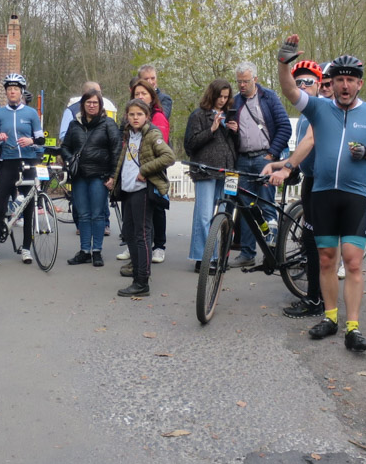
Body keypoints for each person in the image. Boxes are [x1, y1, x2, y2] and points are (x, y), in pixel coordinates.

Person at [272, 38, 366, 353]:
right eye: (339, 79)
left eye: (350, 80)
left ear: (359, 84)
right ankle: (330, 318)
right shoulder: (319, 107)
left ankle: (353, 327)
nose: (344, 85)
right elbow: (290, 91)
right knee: (327, 259)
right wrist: (283, 63)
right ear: (332, 82)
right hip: (323, 194)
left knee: (352, 262)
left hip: (355, 197)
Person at [263, 60, 324, 317]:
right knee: (310, 241)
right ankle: (315, 297)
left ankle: (316, 300)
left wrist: (286, 168)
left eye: (307, 82)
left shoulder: (320, 110)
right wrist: (277, 164)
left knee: (316, 242)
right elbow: (301, 147)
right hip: (310, 179)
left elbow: (311, 141)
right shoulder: (302, 117)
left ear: (319, 85)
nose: (301, 86)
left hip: (324, 184)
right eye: (297, 82)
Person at [107, 98, 175, 297]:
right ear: (127, 116)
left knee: (141, 235)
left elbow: (168, 157)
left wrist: (145, 170)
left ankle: (142, 281)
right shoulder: (129, 135)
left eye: (139, 114)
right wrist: (115, 179)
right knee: (128, 232)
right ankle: (136, 274)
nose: (135, 118)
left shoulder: (153, 134)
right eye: (132, 114)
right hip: (127, 190)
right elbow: (123, 160)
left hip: (143, 191)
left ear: (146, 116)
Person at [229, 61, 292, 268]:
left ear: (255, 79)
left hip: (264, 158)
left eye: (246, 81)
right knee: (246, 208)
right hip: (242, 159)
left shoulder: (269, 98)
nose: (242, 85)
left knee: (266, 205)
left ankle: (271, 252)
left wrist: (272, 155)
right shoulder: (235, 102)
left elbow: (284, 127)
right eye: (239, 82)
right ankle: (247, 253)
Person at [0, 73, 44, 265]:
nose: (12, 92)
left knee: (28, 208)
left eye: (15, 89)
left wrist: (31, 140)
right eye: (9, 90)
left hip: (28, 163)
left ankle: (26, 248)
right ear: (6, 93)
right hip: (7, 163)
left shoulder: (31, 113)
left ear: (21, 91)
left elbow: (41, 140)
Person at [61, 88, 121, 266]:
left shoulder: (108, 124)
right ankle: (85, 250)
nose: (92, 105)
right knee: (83, 215)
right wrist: (71, 159)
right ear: (83, 105)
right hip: (79, 176)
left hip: (99, 176)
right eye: (89, 102)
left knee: (97, 214)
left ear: (100, 105)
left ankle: (97, 251)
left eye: (95, 102)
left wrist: (112, 176)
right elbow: (65, 147)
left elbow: (116, 150)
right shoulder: (74, 125)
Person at [184, 78, 238, 272]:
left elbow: (234, 146)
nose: (223, 100)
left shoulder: (230, 115)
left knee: (223, 215)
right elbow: (189, 145)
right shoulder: (198, 115)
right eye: (219, 96)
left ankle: (218, 257)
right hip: (206, 170)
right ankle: (202, 258)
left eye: (226, 97)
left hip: (229, 171)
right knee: (204, 215)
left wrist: (235, 132)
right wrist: (212, 129)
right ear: (212, 95)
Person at [130, 78, 170, 264]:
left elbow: (163, 152)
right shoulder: (129, 119)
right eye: (137, 94)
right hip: (132, 177)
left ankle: (158, 247)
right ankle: (136, 253)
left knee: (156, 211)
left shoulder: (158, 118)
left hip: (151, 175)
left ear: (151, 96)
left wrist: (146, 169)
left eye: (143, 93)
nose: (140, 96)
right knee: (135, 221)